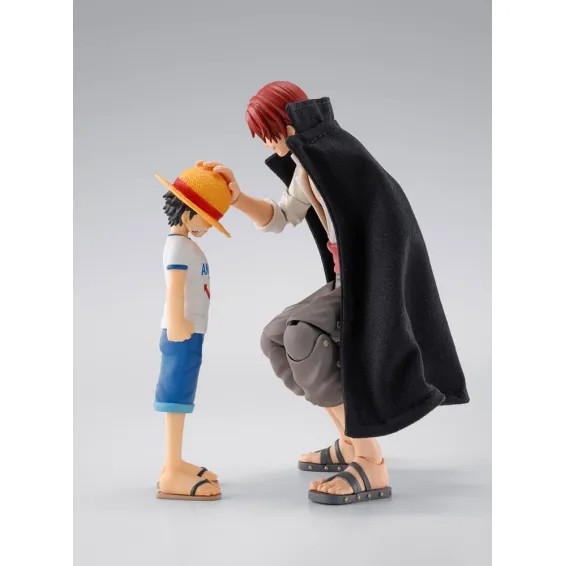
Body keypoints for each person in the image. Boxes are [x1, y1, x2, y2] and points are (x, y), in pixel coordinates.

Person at [201, 81, 469, 505]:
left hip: (368, 281)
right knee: (276, 337)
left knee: (303, 337)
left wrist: (376, 287)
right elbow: (281, 216)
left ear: (288, 123)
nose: (268, 143)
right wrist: (237, 198)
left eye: (269, 133)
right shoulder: (308, 168)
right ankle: (348, 441)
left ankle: (371, 461)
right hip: (346, 280)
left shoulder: (341, 157)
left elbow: (390, 223)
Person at [152, 164, 231, 501]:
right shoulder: (177, 248)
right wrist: (178, 323)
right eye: (206, 220)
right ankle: (171, 470)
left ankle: (175, 462)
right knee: (176, 396)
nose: (208, 227)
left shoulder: (184, 245)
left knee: (182, 395)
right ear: (187, 213)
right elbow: (175, 287)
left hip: (191, 329)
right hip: (182, 332)